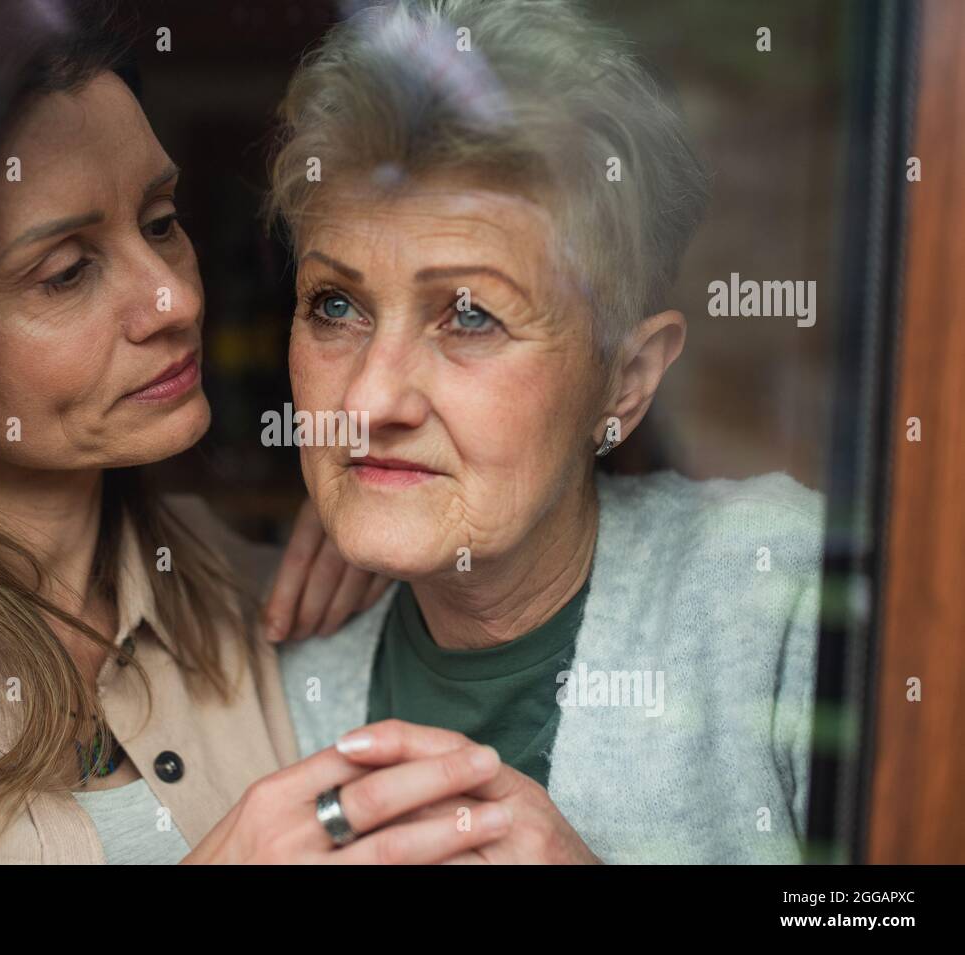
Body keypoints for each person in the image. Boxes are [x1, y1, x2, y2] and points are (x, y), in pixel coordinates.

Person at [0, 0, 508, 864]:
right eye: (65, 273)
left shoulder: (266, 600)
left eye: (162, 223)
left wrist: (381, 511)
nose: (177, 301)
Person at [271, 0, 824, 863]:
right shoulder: (276, 679)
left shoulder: (780, 594)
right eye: (334, 305)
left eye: (470, 317)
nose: (372, 398)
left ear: (627, 381)